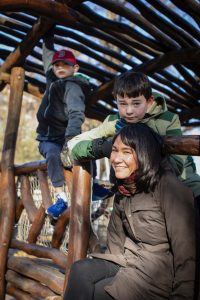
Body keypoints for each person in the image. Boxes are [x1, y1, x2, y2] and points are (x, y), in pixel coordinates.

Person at [64, 123, 196, 300]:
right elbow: (115, 240)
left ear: (144, 154)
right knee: (80, 269)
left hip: (157, 276)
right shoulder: (125, 188)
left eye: (126, 152)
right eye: (115, 150)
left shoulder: (169, 188)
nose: (117, 158)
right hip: (128, 263)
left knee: (96, 293)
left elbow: (187, 253)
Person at [36, 27, 91, 219]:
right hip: (47, 137)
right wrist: (47, 31)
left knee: (64, 155)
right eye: (57, 65)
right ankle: (73, 194)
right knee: (53, 153)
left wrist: (70, 139)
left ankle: (63, 198)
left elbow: (76, 114)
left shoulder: (73, 87)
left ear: (74, 68)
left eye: (65, 65)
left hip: (64, 137)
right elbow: (47, 57)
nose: (60, 68)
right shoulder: (52, 80)